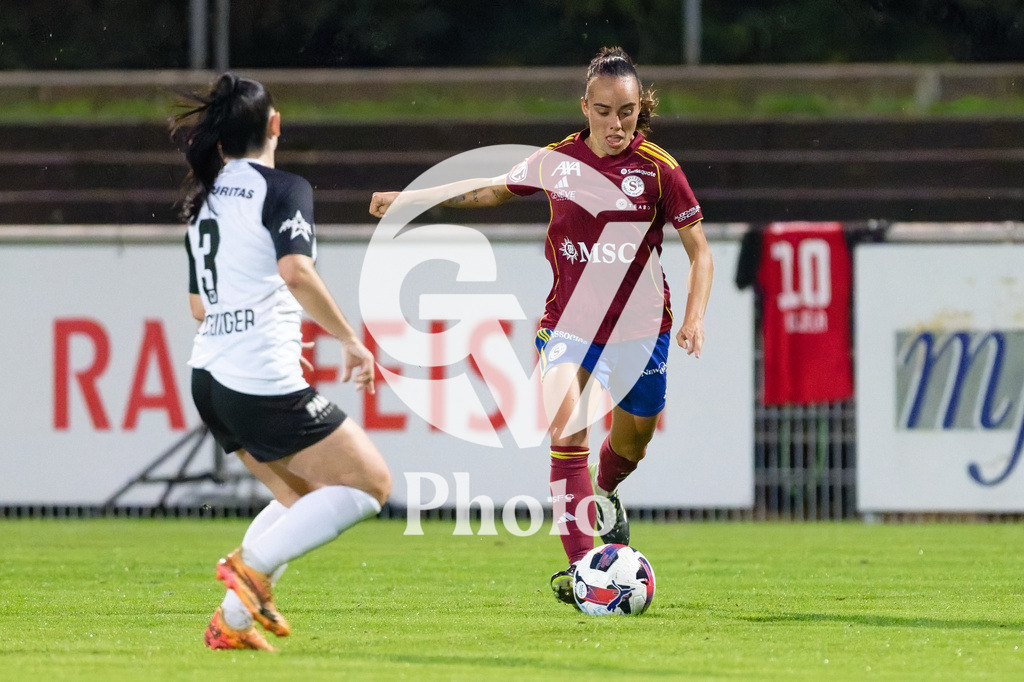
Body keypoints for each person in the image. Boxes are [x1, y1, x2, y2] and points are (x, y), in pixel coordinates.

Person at [368, 47, 713, 607]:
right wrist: (411, 200)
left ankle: (605, 491)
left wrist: (694, 317)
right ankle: (583, 574)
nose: (615, 124)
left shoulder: (659, 169)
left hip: (639, 329)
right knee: (565, 429)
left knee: (634, 441)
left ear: (638, 110)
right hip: (568, 324)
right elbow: (488, 188)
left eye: (626, 111)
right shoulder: (558, 163)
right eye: (603, 111)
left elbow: (700, 251)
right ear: (586, 107)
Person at [172, 73, 392, 650]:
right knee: (370, 484)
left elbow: (199, 305)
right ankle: (250, 569)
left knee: (302, 497)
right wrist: (350, 339)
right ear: (275, 125)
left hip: (208, 379)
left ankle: (232, 623)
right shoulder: (283, 187)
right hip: (256, 378)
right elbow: (296, 272)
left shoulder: (204, 201)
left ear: (219, 138)